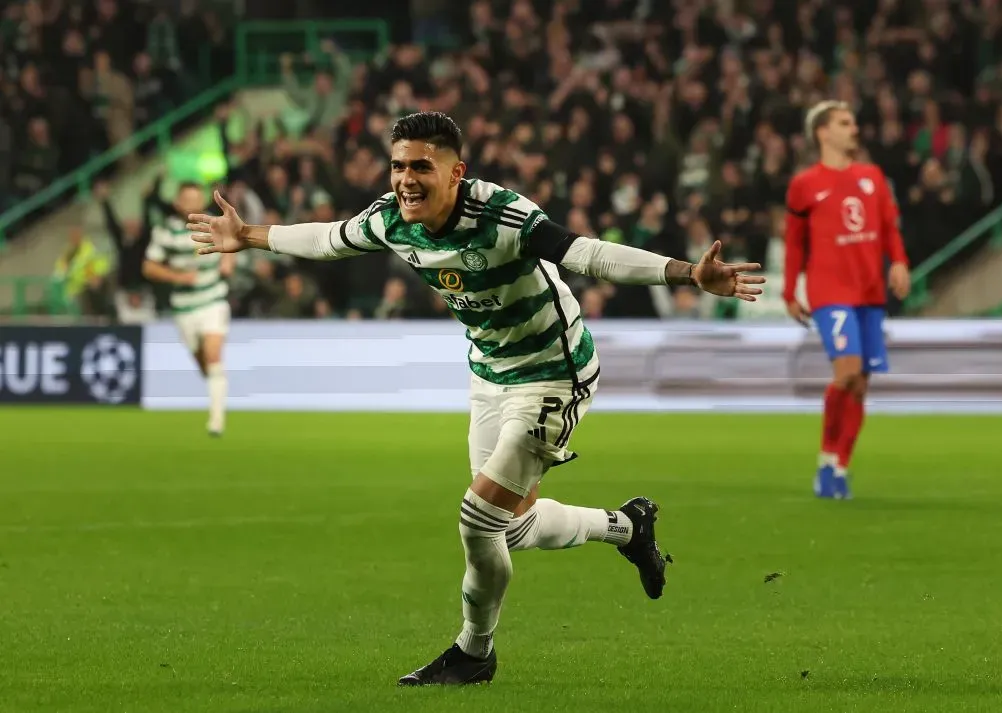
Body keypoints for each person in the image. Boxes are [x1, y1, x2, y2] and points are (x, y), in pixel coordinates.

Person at [188, 112, 764, 686]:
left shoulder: (502, 216)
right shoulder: (393, 219)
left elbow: (585, 253)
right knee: (510, 529)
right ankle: (628, 528)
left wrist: (687, 272)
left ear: (456, 171)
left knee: (478, 519)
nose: (407, 179)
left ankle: (474, 651)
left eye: (422, 166)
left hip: (553, 373)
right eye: (398, 166)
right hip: (490, 374)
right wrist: (249, 237)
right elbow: (329, 238)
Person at [782, 101, 911, 500]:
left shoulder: (872, 177)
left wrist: (900, 262)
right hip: (829, 291)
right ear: (823, 132)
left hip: (870, 290)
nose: (854, 128)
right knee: (848, 374)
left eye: (853, 121)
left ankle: (838, 466)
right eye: (845, 122)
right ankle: (825, 459)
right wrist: (790, 290)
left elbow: (889, 227)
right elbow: (794, 243)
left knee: (860, 386)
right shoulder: (805, 184)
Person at [142, 183, 233, 436]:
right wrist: (177, 277)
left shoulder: (216, 224)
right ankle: (214, 388)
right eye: (187, 199)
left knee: (214, 355)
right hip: (184, 308)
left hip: (213, 299)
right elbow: (149, 267)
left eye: (196, 199)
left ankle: (216, 421)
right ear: (178, 203)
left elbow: (235, 244)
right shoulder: (165, 232)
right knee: (203, 362)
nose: (192, 204)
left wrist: (227, 261)